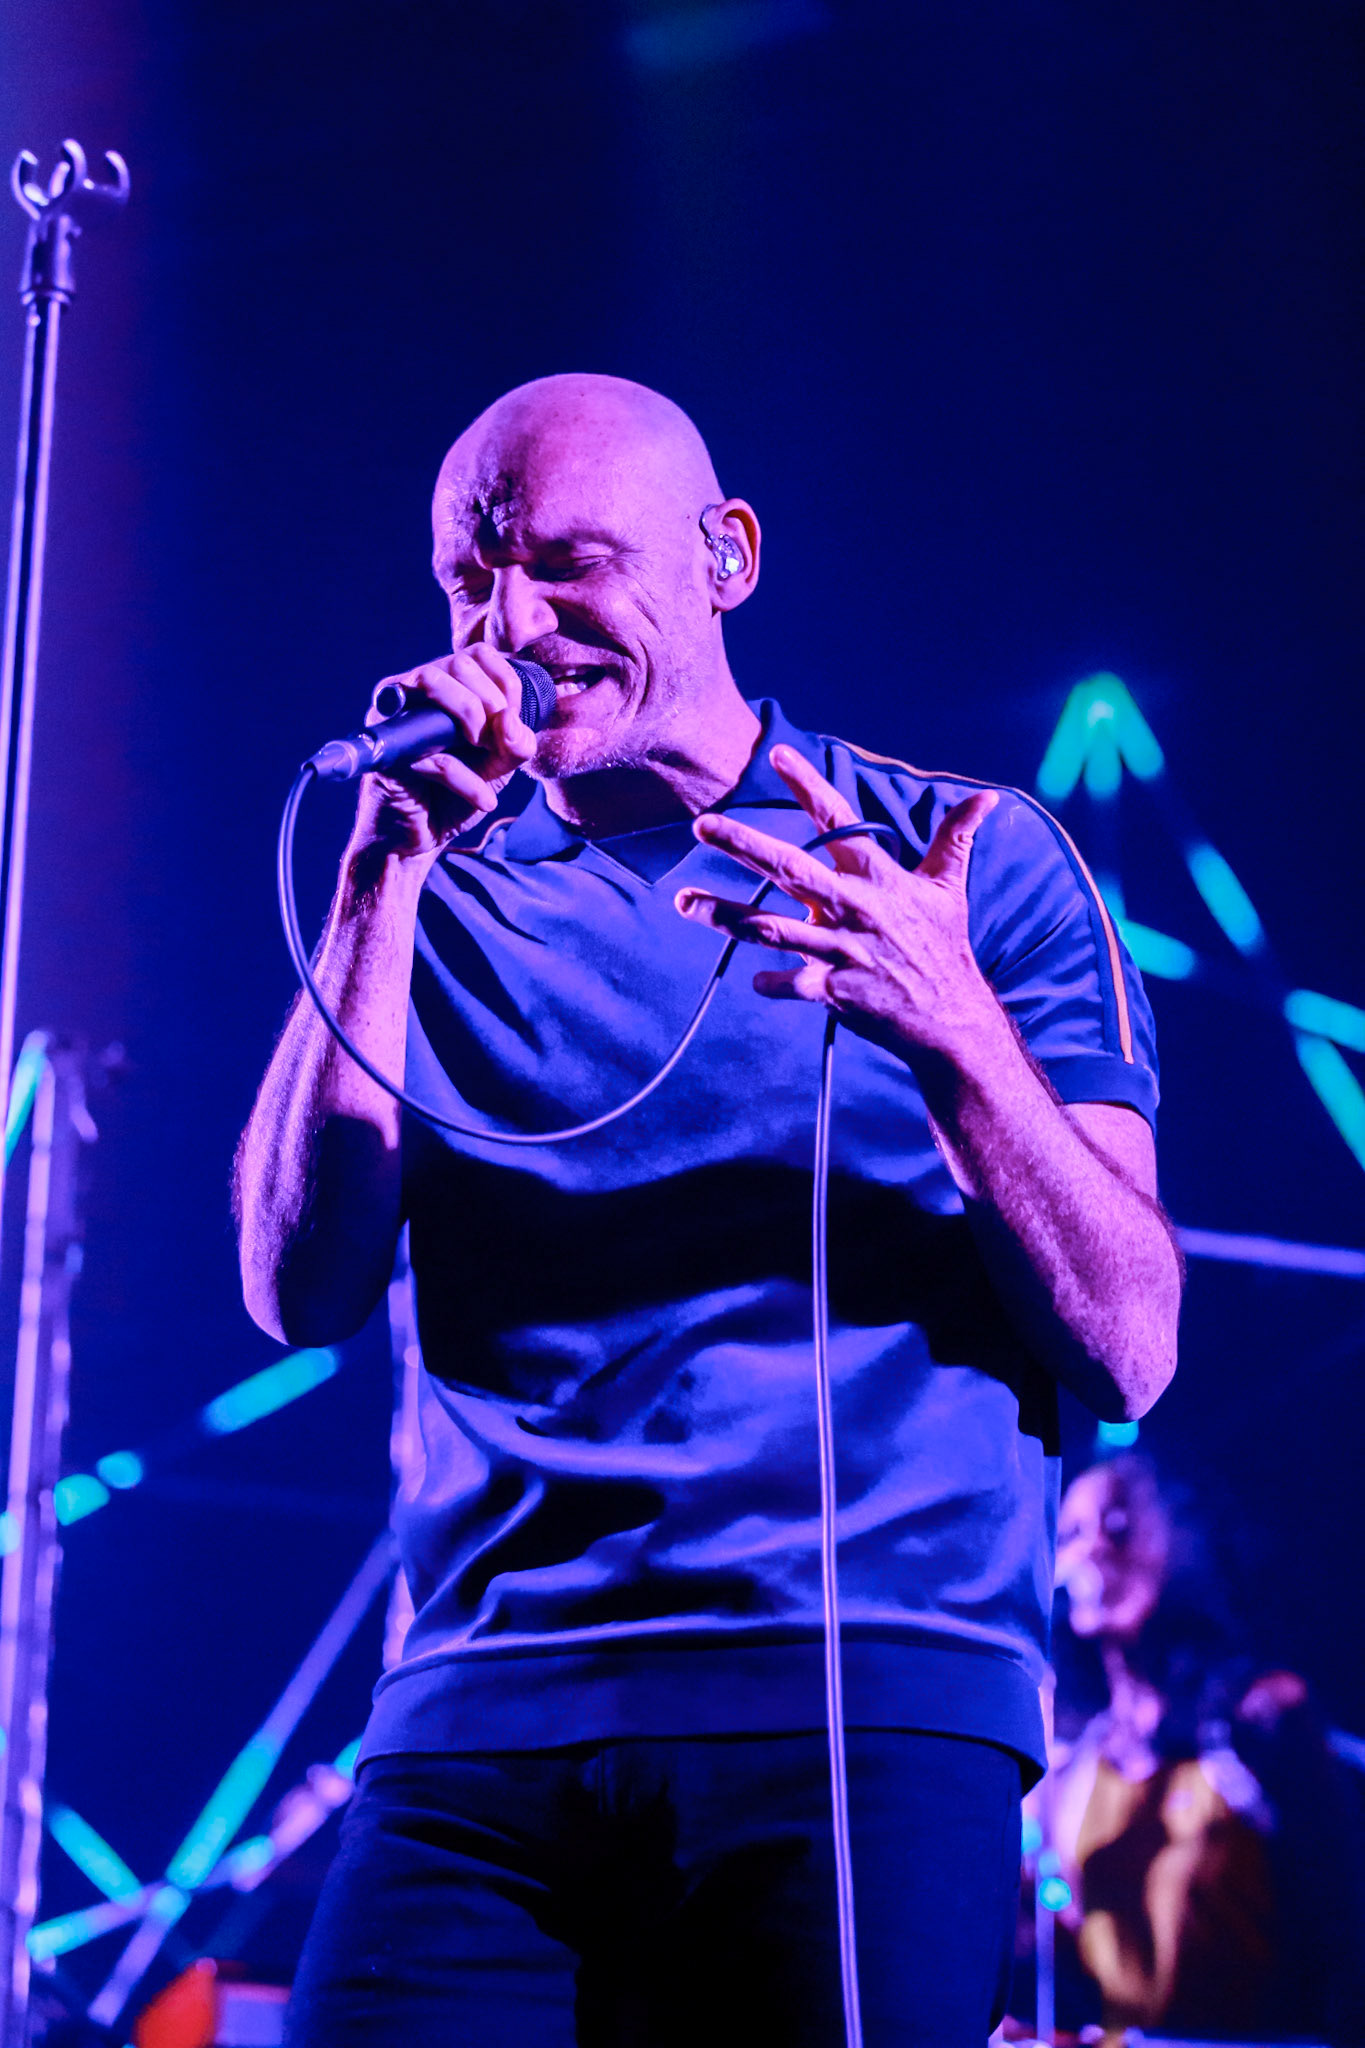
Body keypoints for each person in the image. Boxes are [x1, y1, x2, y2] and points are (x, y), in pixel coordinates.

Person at [235, 373, 1182, 2047]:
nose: (514, 621)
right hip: (478, 1710)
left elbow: (1132, 1340)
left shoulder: (963, 859)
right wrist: (382, 869)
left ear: (726, 555)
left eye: (572, 563)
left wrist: (955, 1029)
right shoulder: (430, 886)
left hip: (862, 1690)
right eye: (475, 576)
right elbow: (293, 1287)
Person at [1022, 1454, 1365, 2045]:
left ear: (1183, 1537)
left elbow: (1346, 1934)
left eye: (1118, 1525)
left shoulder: (1263, 1721)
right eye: (1072, 1534)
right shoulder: (1073, 1770)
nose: (1093, 1551)